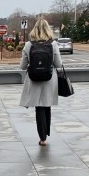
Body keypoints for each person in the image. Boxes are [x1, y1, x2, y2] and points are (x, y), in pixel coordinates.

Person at [20, 18, 63, 146]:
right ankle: (46, 133)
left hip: (34, 79)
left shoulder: (28, 45)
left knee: (39, 107)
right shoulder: (53, 44)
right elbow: (58, 64)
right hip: (49, 79)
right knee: (47, 105)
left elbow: (22, 66)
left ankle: (42, 137)